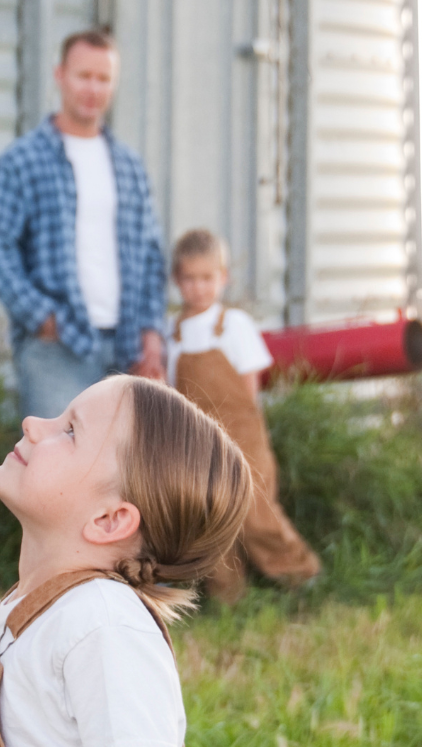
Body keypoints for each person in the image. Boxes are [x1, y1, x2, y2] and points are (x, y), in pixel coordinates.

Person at [0, 375, 250, 747]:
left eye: (69, 431)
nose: (32, 424)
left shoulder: (103, 625)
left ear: (109, 520)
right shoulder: (49, 609)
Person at [0, 31, 168, 420]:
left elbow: (151, 256)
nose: (93, 88)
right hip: (55, 348)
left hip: (127, 345)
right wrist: (42, 317)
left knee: (124, 475)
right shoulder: (23, 160)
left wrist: (152, 333)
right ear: (60, 75)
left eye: (103, 78)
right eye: (83, 76)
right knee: (54, 468)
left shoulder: (128, 166)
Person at [166, 229, 322, 603]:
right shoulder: (173, 334)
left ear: (224, 278)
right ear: (177, 280)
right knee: (210, 516)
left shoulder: (233, 325)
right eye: (190, 279)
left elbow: (249, 386)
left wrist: (246, 429)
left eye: (207, 279)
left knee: (255, 511)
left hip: (242, 433)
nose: (199, 288)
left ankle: (300, 576)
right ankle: (228, 596)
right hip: (198, 440)